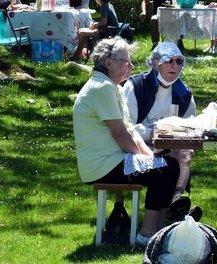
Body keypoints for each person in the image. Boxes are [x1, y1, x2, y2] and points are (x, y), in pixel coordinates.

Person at [72, 37, 180, 247]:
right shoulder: (101, 88)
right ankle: (147, 234)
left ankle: (159, 229)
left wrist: (149, 157)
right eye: (126, 61)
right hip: (102, 165)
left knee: (169, 166)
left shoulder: (113, 87)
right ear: (108, 62)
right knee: (164, 171)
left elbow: (130, 130)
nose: (131, 66)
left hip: (113, 160)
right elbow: (121, 135)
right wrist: (146, 159)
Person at [123, 42, 198, 221]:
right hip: (138, 145)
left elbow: (191, 126)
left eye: (179, 61)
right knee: (167, 163)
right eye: (169, 61)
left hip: (170, 145)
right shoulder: (136, 86)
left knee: (185, 151)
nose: (174, 66)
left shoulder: (184, 93)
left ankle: (177, 199)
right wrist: (153, 134)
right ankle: (169, 214)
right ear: (155, 63)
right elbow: (127, 127)